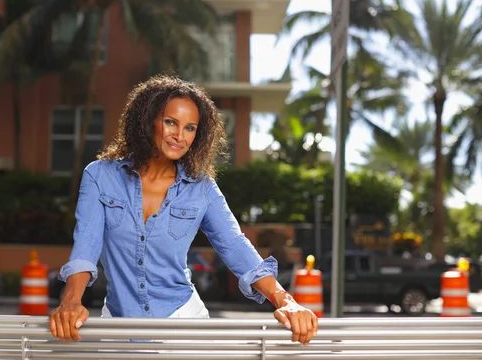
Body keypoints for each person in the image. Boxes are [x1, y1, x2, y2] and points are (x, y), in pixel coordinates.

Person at [49, 75, 318, 345]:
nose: (180, 136)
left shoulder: (202, 189)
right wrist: (71, 300)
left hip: (183, 323)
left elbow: (235, 246)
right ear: (147, 120)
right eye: (170, 122)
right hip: (118, 326)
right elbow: (87, 242)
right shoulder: (100, 176)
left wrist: (285, 300)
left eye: (190, 128)